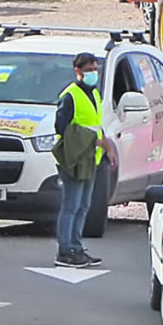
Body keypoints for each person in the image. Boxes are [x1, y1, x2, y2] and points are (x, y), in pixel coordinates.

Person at [51, 52, 106, 267]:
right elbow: (62, 128)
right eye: (89, 70)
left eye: (95, 69)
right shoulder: (70, 95)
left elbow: (97, 125)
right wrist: (92, 141)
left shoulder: (95, 94)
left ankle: (76, 246)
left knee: (83, 205)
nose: (94, 73)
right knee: (71, 205)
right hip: (74, 158)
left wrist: (105, 145)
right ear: (78, 71)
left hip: (91, 158)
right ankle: (65, 250)